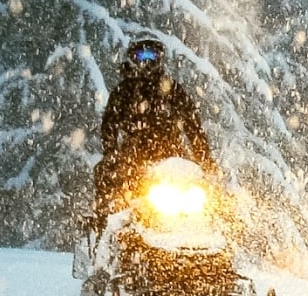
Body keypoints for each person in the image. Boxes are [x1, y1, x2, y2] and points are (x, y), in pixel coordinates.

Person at [93, 39, 217, 221]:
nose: (147, 61)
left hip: (171, 154)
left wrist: (204, 159)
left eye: (152, 56)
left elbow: (193, 125)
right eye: (141, 56)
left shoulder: (171, 89)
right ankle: (106, 222)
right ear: (133, 59)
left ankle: (219, 223)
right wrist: (112, 154)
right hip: (134, 156)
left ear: (159, 58)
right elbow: (109, 126)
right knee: (107, 178)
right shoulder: (123, 91)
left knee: (205, 191)